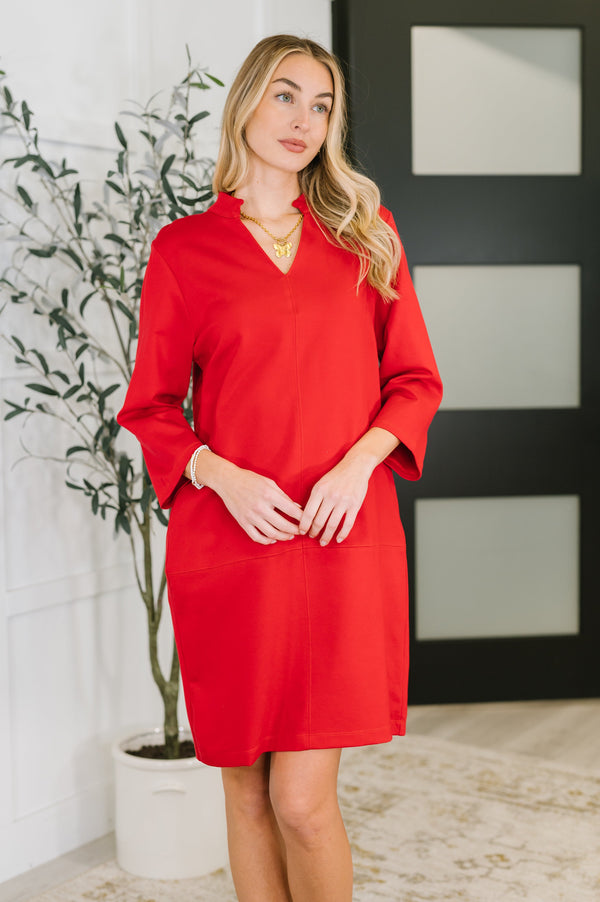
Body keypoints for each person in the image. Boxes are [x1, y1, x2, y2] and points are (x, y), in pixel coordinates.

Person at [117, 33, 442, 902]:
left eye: (323, 105)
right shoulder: (185, 251)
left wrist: (358, 466)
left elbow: (414, 380)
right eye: (287, 96)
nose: (304, 120)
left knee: (302, 799)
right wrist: (224, 476)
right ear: (248, 103)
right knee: (244, 786)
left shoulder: (367, 236)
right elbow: (150, 408)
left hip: (342, 535)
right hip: (231, 543)